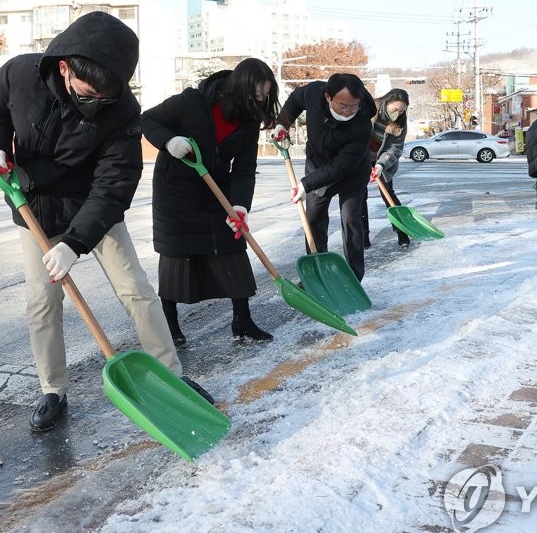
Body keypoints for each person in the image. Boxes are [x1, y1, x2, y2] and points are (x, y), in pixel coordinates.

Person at [0, 11, 212, 432]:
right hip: (34, 207)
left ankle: (171, 375)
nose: (98, 100)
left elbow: (115, 182)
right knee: (42, 301)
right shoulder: (19, 76)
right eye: (89, 92)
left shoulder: (122, 109)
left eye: (107, 94)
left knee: (135, 290)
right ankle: (53, 390)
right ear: (64, 67)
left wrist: (76, 242)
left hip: (92, 208)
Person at [141, 58, 279, 346]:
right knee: (177, 254)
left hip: (216, 186)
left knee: (232, 247)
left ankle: (242, 320)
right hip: (175, 189)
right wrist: (169, 141)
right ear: (239, 88)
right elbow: (148, 119)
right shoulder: (192, 101)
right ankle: (170, 325)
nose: (260, 102)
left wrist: (240, 206)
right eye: (256, 95)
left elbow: (243, 168)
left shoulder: (249, 122)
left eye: (264, 96)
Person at [273, 73, 374, 281]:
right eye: (343, 106)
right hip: (317, 165)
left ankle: (354, 278)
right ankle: (317, 275)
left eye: (354, 106)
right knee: (313, 219)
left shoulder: (363, 124)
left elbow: (341, 166)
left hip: (352, 173)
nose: (349, 112)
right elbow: (294, 99)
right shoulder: (313, 92)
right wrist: (282, 123)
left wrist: (305, 184)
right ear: (328, 97)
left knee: (351, 219)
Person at [362, 88, 411, 248]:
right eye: (394, 109)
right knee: (359, 197)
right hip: (360, 157)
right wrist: (363, 158)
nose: (397, 113)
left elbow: (395, 148)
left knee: (388, 194)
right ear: (386, 102)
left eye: (402, 111)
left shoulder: (400, 123)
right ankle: (363, 238)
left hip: (382, 161)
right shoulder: (369, 109)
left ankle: (402, 232)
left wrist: (380, 164)